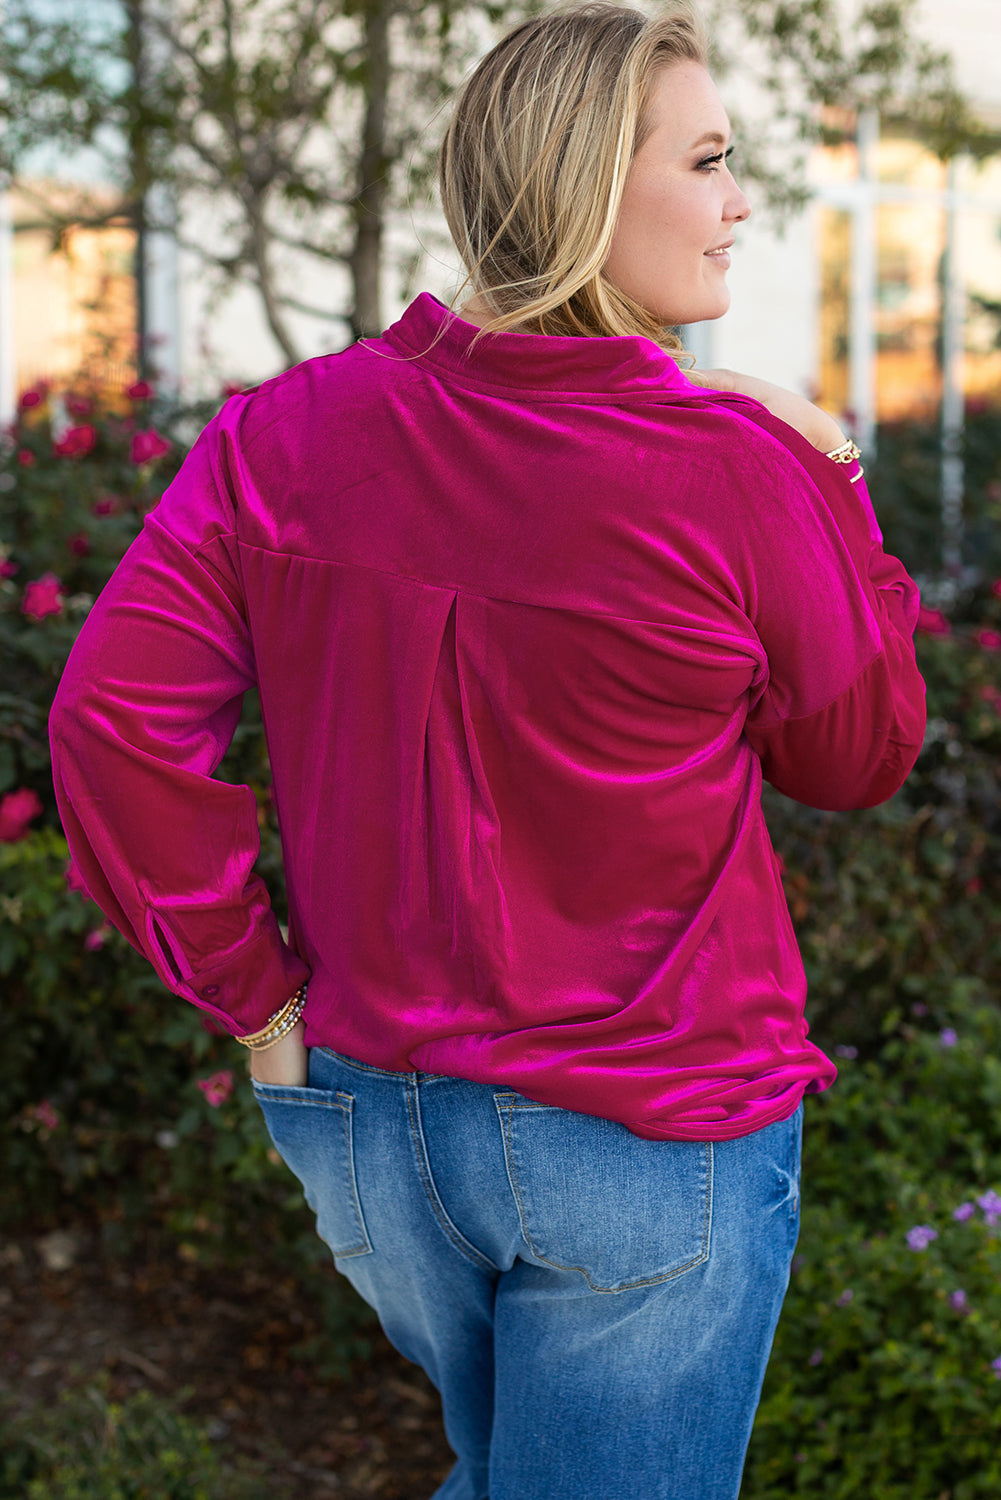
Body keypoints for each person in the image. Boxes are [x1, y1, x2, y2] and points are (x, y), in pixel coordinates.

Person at [49, 3, 927, 1496]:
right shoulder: (733, 472)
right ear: (589, 185)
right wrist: (829, 476)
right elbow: (856, 757)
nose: (740, 202)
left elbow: (108, 722)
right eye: (708, 160)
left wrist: (258, 1001)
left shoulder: (286, 433)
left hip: (368, 1124)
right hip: (647, 1137)